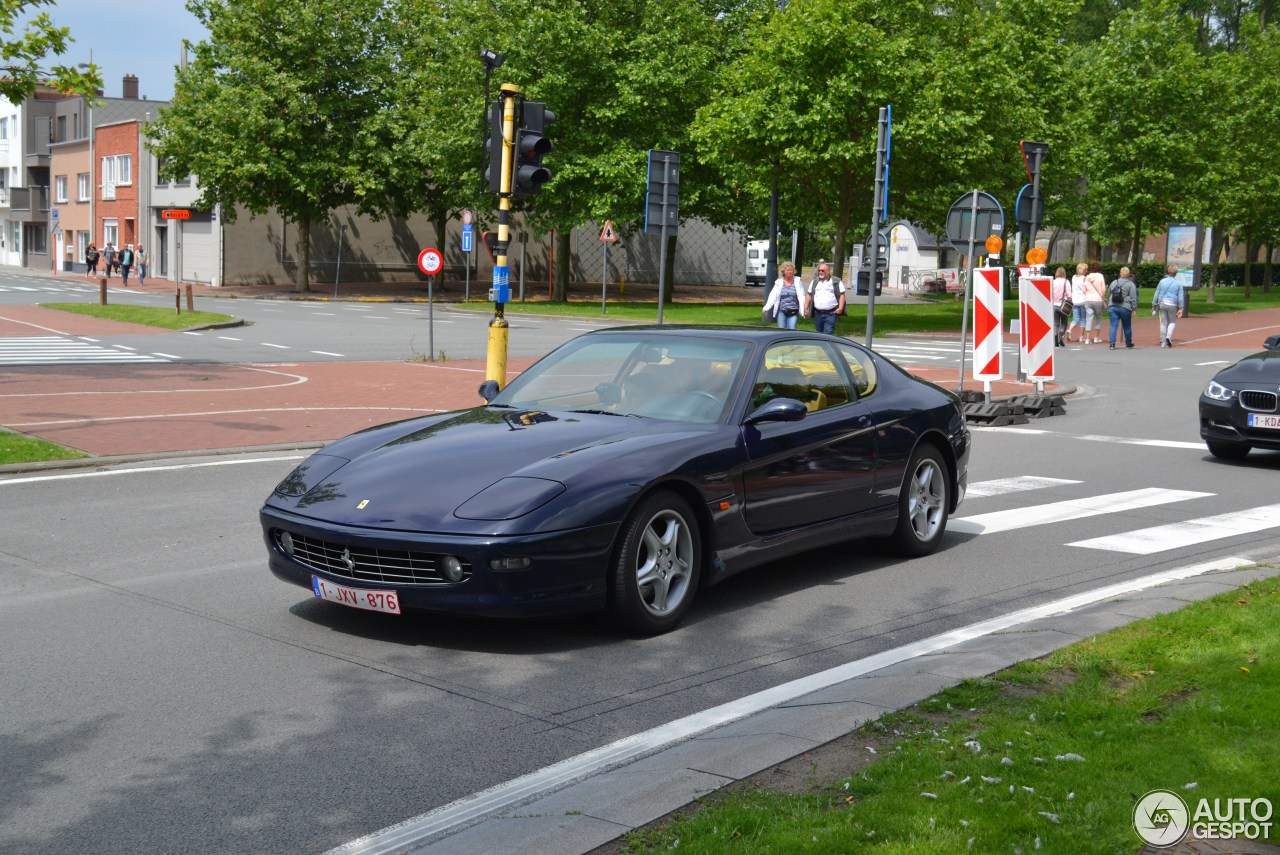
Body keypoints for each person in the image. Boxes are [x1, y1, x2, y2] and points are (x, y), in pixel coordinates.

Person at [804, 261, 846, 335]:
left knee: (828, 334)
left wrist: (840, 308)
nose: (820, 272)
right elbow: (809, 295)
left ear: (828, 271)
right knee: (819, 334)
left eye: (822, 270)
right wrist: (805, 308)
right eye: (819, 270)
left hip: (831, 314)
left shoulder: (836, 281)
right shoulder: (815, 281)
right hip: (818, 314)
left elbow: (842, 295)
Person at [762, 261, 804, 329]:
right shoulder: (779, 282)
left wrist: (804, 308)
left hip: (793, 311)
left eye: (791, 270)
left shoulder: (797, 281)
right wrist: (766, 307)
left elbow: (802, 296)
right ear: (783, 271)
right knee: (781, 330)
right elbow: (773, 295)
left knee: (791, 329)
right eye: (787, 270)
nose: (789, 272)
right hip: (782, 311)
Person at [1152, 263, 1186, 347]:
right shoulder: (1178, 283)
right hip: (1172, 304)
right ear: (1176, 273)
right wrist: (1181, 307)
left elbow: (1156, 293)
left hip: (1162, 303)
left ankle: (1163, 341)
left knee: (1163, 322)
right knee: (1172, 321)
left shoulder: (1162, 281)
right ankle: (1168, 336)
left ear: (1167, 272)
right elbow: (1180, 297)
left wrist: (1154, 304)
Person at [1107, 266, 1139, 349]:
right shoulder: (1130, 284)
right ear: (1128, 274)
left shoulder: (1114, 282)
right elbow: (1133, 298)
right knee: (1127, 326)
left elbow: (1109, 293)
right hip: (1125, 306)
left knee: (1113, 325)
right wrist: (1134, 308)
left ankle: (1112, 343)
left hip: (1112, 305)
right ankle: (1128, 343)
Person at [1083, 261, 1108, 344]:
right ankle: (1096, 337)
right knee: (1098, 317)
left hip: (1088, 299)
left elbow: (1084, 290)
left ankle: (1087, 338)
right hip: (1098, 300)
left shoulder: (1087, 277)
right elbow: (1103, 289)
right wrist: (1103, 296)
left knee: (1088, 318)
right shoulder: (1100, 276)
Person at [1067, 262, 1088, 343]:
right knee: (1083, 319)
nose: (1087, 271)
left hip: (1075, 301)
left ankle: (1069, 329)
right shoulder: (1084, 278)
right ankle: (1081, 336)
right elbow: (1084, 289)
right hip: (1083, 300)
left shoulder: (1073, 277)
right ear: (1083, 270)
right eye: (1086, 269)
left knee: (1075, 318)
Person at [1051, 266, 1071, 347]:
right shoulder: (1066, 282)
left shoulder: (1052, 282)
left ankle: (1055, 338)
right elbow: (1069, 295)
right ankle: (1060, 337)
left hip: (1054, 304)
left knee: (1056, 323)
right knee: (1064, 322)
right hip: (1063, 305)